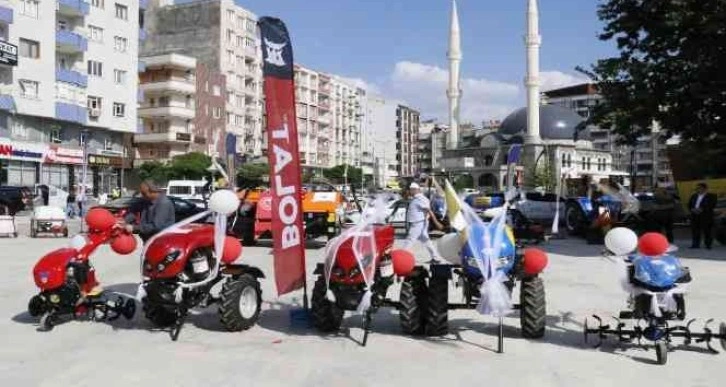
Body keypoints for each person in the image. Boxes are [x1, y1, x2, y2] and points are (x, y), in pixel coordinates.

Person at [401, 182, 444, 262]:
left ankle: (401, 257)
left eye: (411, 190)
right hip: (419, 223)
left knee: (410, 239)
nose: (410, 192)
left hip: (418, 223)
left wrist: (436, 222)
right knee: (426, 240)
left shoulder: (420, 198)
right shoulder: (416, 198)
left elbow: (428, 210)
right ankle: (436, 258)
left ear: (414, 190)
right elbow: (405, 197)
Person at [688, 182, 717, 249]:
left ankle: (708, 244)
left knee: (707, 230)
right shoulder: (694, 196)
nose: (698, 190)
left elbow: (712, 205)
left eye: (699, 188)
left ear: (705, 189)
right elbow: (689, 204)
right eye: (697, 188)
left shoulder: (712, 196)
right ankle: (695, 244)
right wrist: (692, 209)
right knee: (695, 230)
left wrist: (701, 209)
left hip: (705, 216)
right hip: (695, 215)